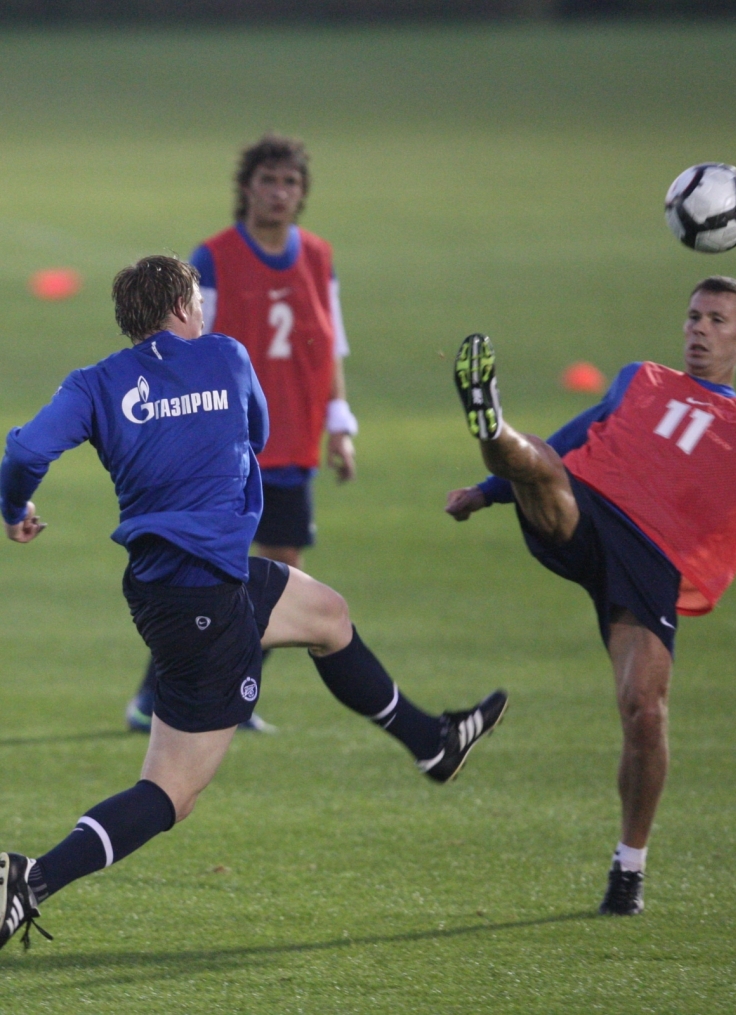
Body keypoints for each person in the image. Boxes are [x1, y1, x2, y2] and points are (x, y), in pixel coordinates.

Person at [0, 256, 507, 951]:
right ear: (182, 305)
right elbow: (258, 433)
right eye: (197, 301)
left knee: (327, 613)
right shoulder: (228, 356)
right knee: (171, 792)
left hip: (183, 583)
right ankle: (30, 880)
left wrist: (15, 505)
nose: (203, 309)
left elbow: (25, 448)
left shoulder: (95, 383)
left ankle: (434, 745)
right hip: (202, 599)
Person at [446, 276, 736, 915]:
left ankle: (629, 869)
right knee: (536, 463)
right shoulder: (638, 379)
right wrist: (485, 492)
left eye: (718, 320)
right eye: (694, 316)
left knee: (643, 710)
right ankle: (491, 418)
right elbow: (567, 439)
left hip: (653, 563)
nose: (700, 328)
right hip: (587, 510)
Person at [126, 133, 357, 733]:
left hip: (295, 435)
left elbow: (331, 342)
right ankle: (166, 697)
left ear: (301, 193)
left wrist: (340, 424)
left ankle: (223, 692)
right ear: (247, 188)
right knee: (217, 573)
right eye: (268, 180)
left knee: (278, 570)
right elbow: (182, 347)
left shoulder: (319, 257)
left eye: (290, 182)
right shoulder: (213, 258)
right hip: (229, 442)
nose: (279, 193)